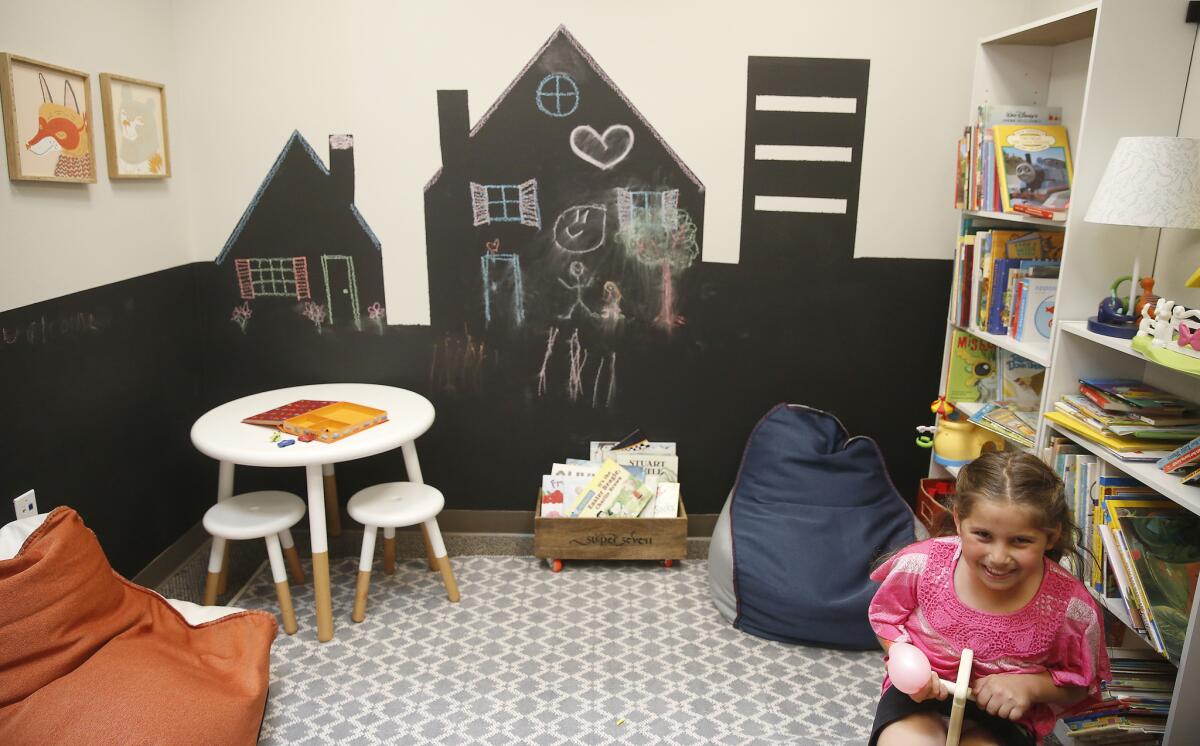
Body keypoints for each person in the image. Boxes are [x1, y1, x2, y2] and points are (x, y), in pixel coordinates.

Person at [867, 451, 1110, 745]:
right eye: (983, 535)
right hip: (920, 696)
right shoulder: (922, 564)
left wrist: (1030, 687)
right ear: (958, 520)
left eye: (1020, 540)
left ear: (1051, 535)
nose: (998, 558)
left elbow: (1080, 683)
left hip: (1005, 713)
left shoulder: (1071, 609)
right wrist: (903, 654)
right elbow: (886, 618)